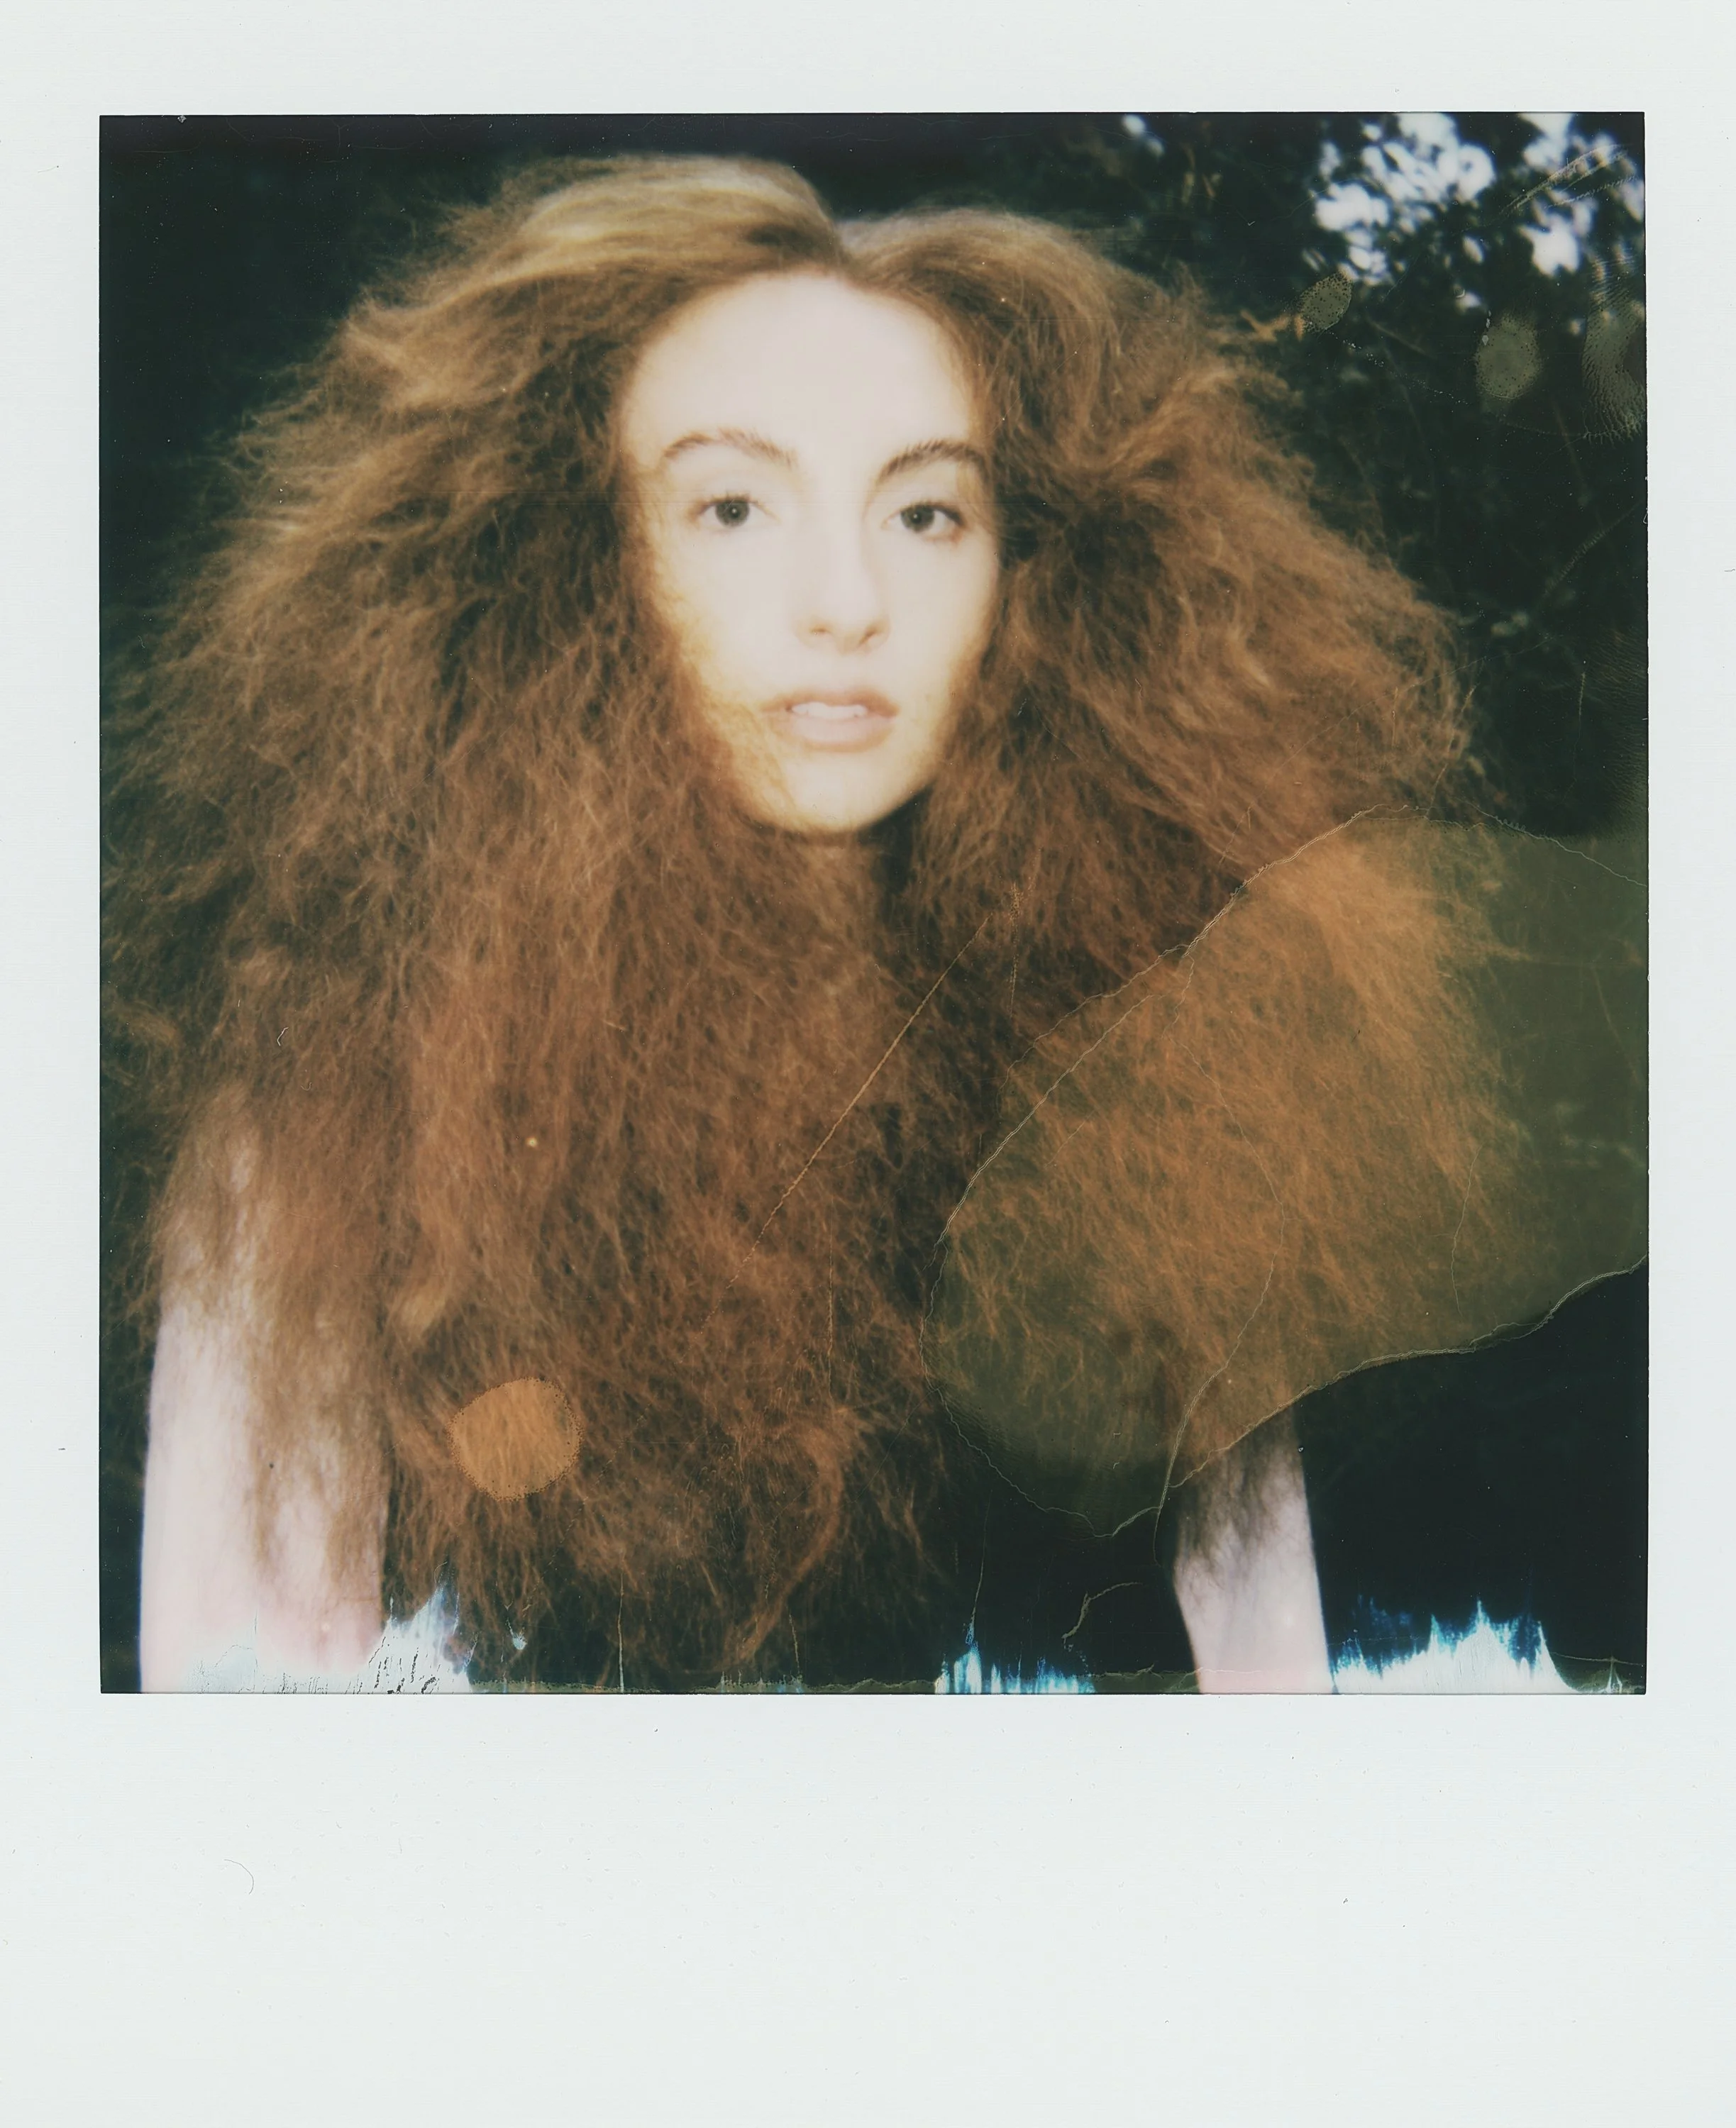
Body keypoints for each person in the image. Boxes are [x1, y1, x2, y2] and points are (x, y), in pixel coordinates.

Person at [106, 156, 1612, 1694]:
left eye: (928, 512)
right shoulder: (341, 1110)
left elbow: (1254, 1655)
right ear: (570, 558)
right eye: (733, 506)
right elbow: (247, 1711)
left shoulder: (1165, 1070)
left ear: (1041, 573)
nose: (845, 600)